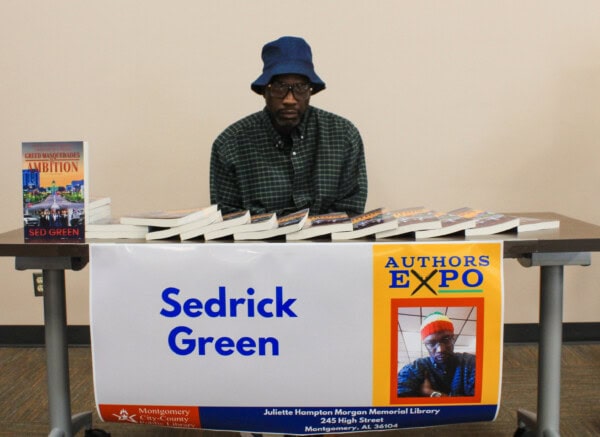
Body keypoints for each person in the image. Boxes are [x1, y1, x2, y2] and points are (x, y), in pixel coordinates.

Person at [210, 36, 367, 217]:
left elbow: (350, 211)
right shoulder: (230, 145)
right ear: (264, 90)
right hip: (256, 245)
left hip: (326, 244)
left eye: (300, 87)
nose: (289, 99)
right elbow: (227, 219)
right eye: (279, 87)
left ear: (310, 90)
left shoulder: (344, 137)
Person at [397, 312, 476, 397]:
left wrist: (431, 393)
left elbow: (479, 404)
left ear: (453, 338)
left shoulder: (471, 362)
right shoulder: (415, 368)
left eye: (446, 340)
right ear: (425, 345)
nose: (440, 350)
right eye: (431, 343)